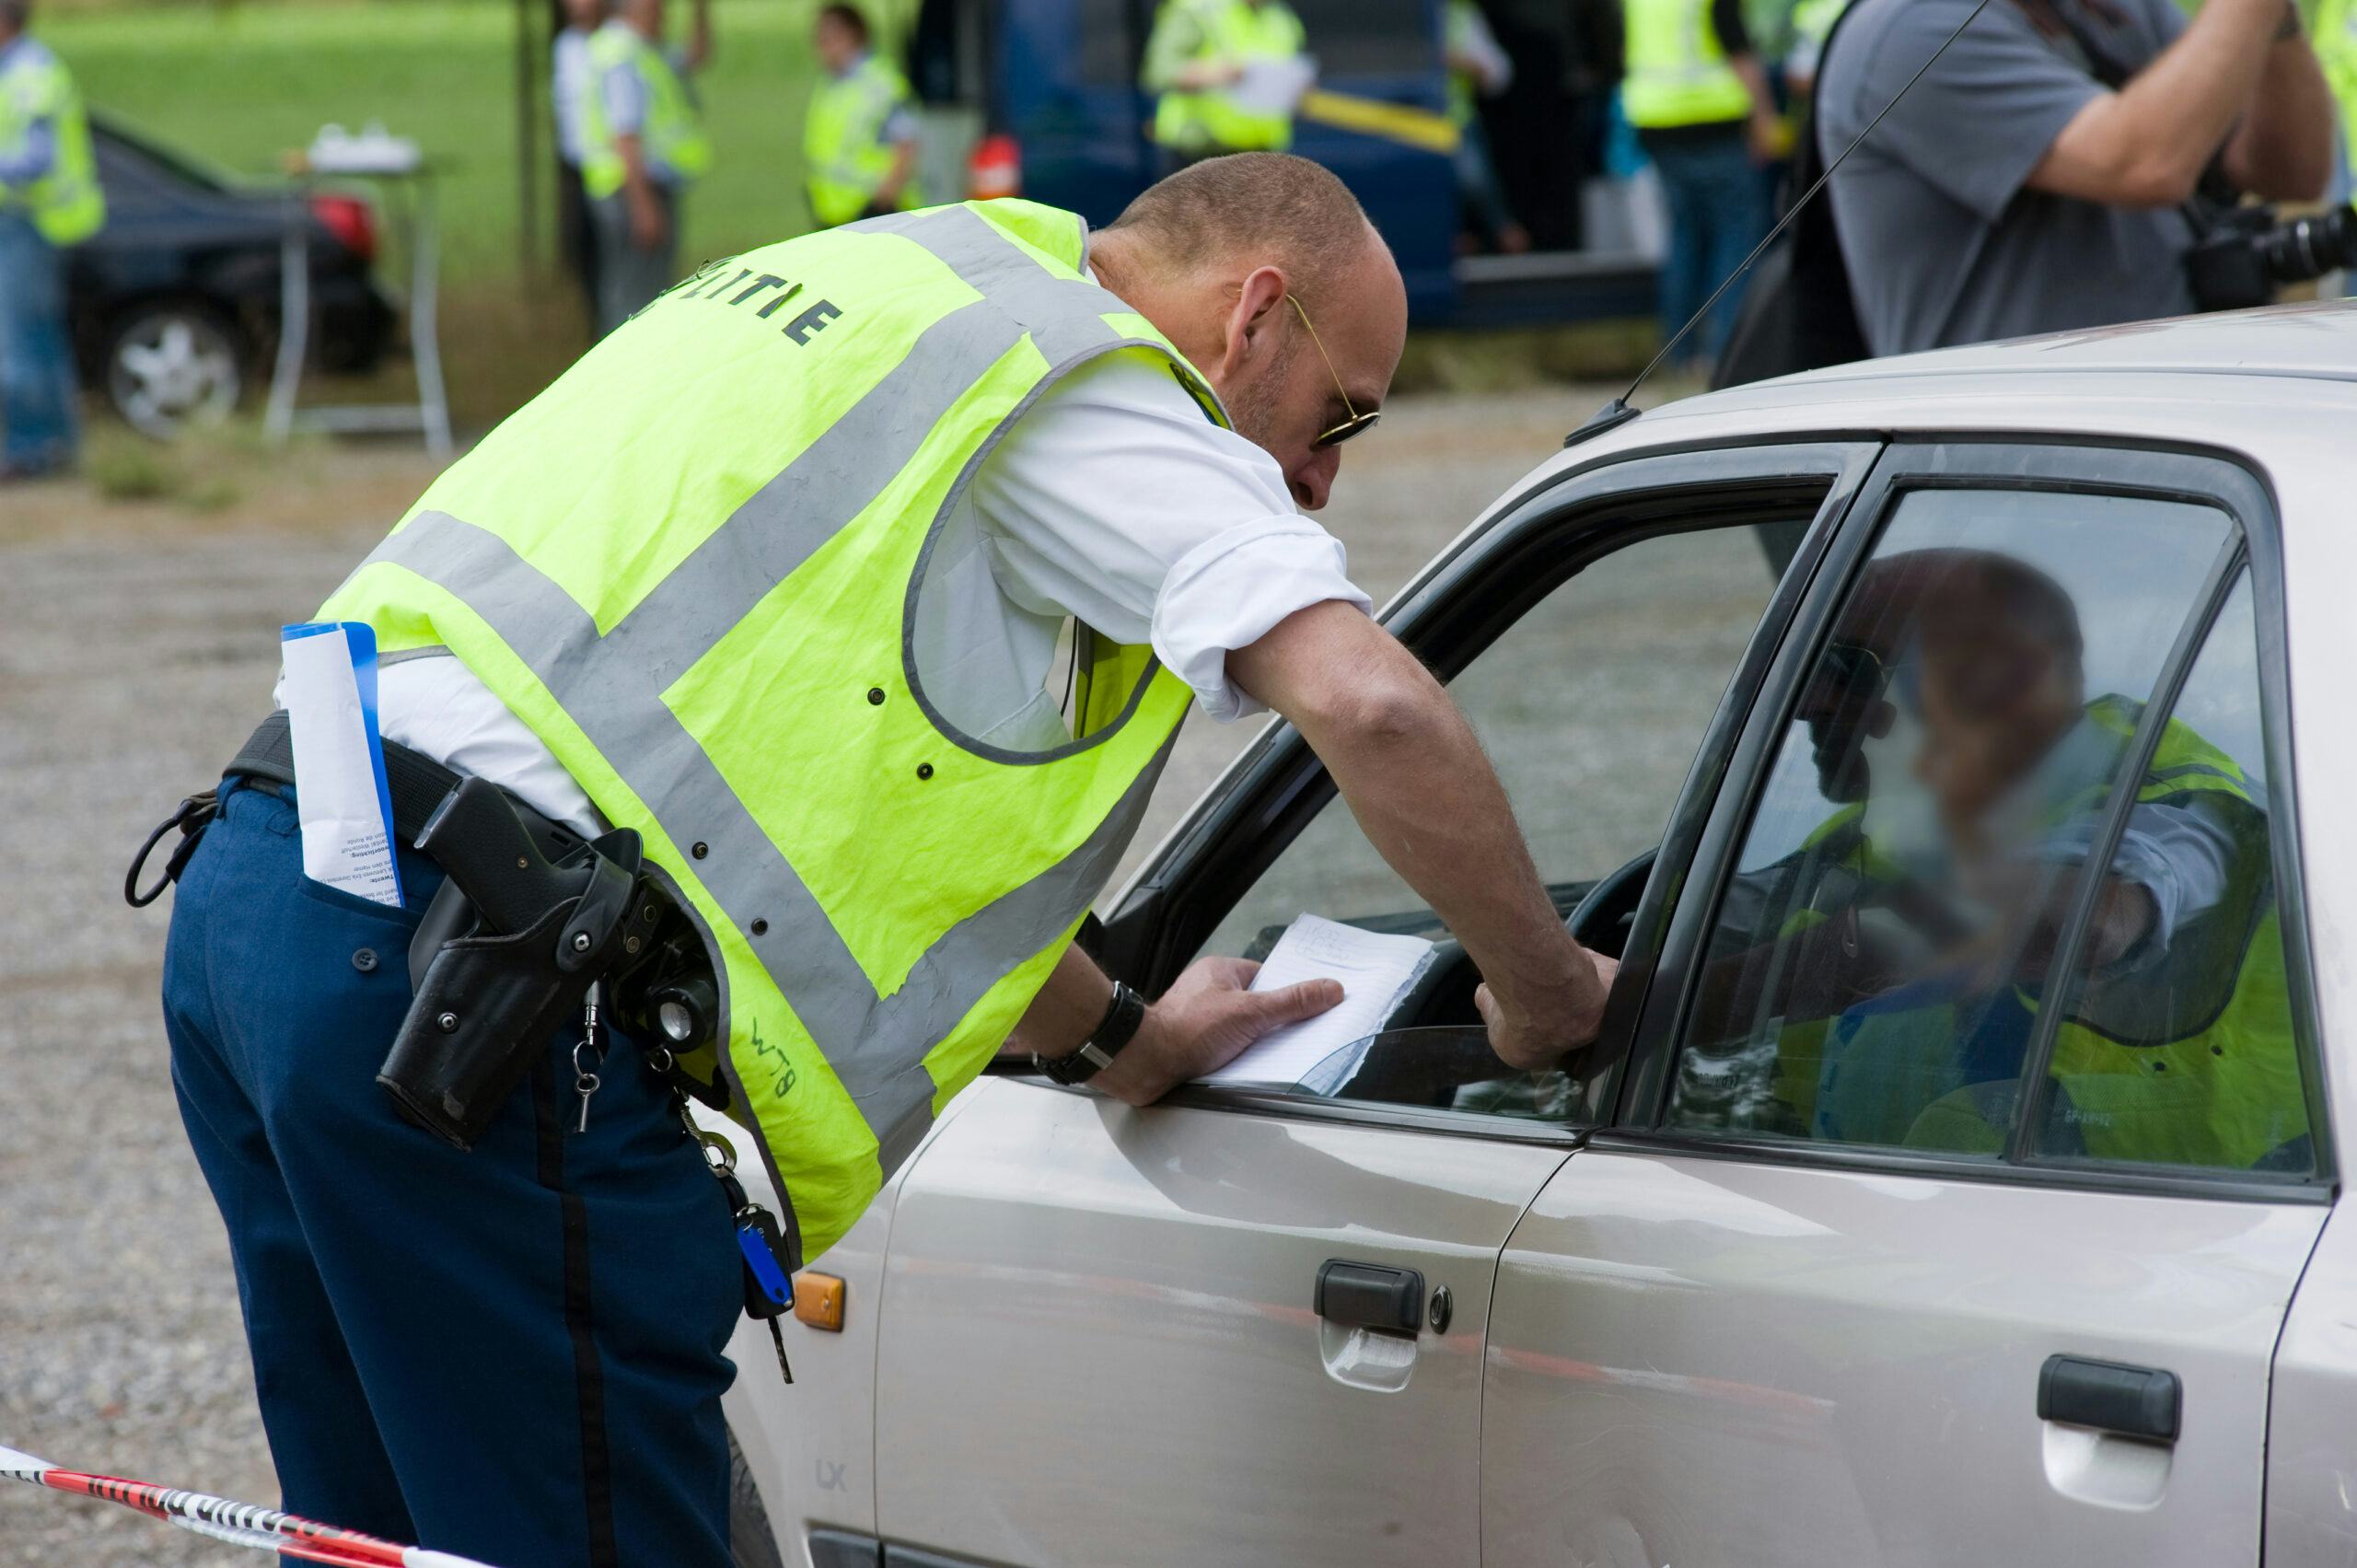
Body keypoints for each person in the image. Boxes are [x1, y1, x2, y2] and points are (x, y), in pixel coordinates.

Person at [150, 155, 1618, 1567]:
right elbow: (1370, 703)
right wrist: (1547, 990)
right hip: (475, 993)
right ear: (1254, 316)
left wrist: (1128, 1037)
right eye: (1339, 416)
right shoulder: (1091, 388)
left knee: (381, 1532)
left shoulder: (900, 282)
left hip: (272, 898)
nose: (1319, 480)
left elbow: (829, 832)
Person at [1817, 0, 2334, 357]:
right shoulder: (1911, 29)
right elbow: (2146, 165)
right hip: (2010, 457)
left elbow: (2293, 171)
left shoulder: (2116, 9)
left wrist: (2276, 21)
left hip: (2162, 430)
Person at [1620, 0, 1782, 370]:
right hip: (1713, 119)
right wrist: (1764, 119)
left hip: (1656, 118)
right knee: (1736, 236)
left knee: (1684, 235)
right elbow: (1740, 54)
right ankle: (1729, 351)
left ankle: (1678, 351)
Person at [0, 0, 101, 482]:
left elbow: (37, 159)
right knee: (40, 339)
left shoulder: (29, 75)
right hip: (27, 221)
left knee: (17, 340)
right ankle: (59, 445)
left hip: (33, 222)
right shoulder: (18, 71)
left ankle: (29, 450)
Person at [577, 0, 712, 334]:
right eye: (658, 6)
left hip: (631, 190)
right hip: (633, 191)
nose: (665, 12)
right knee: (639, 298)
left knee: (632, 288)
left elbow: (696, 56)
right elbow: (625, 137)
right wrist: (643, 206)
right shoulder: (623, 57)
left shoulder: (641, 50)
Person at [1143, 0, 1311, 165]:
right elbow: (1159, 73)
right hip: (1201, 154)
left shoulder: (1282, 17)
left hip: (1264, 153)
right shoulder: (1197, 8)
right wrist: (1213, 74)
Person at [803, 3, 922, 228]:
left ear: (852, 35)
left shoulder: (880, 83)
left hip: (874, 216)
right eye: (817, 37)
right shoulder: (832, 82)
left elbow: (907, 146)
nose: (821, 45)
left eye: (828, 36)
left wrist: (881, 203)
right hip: (835, 214)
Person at [1446, 0, 1532, 253]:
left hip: (1455, 119)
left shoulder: (1459, 13)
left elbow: (1497, 73)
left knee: (1475, 180)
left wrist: (1462, 63)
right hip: (1411, 122)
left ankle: (1506, 234)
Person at [552, 0, 605, 331]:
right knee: (585, 255)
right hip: (578, 168)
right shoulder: (565, 46)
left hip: (609, 172)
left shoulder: (613, 43)